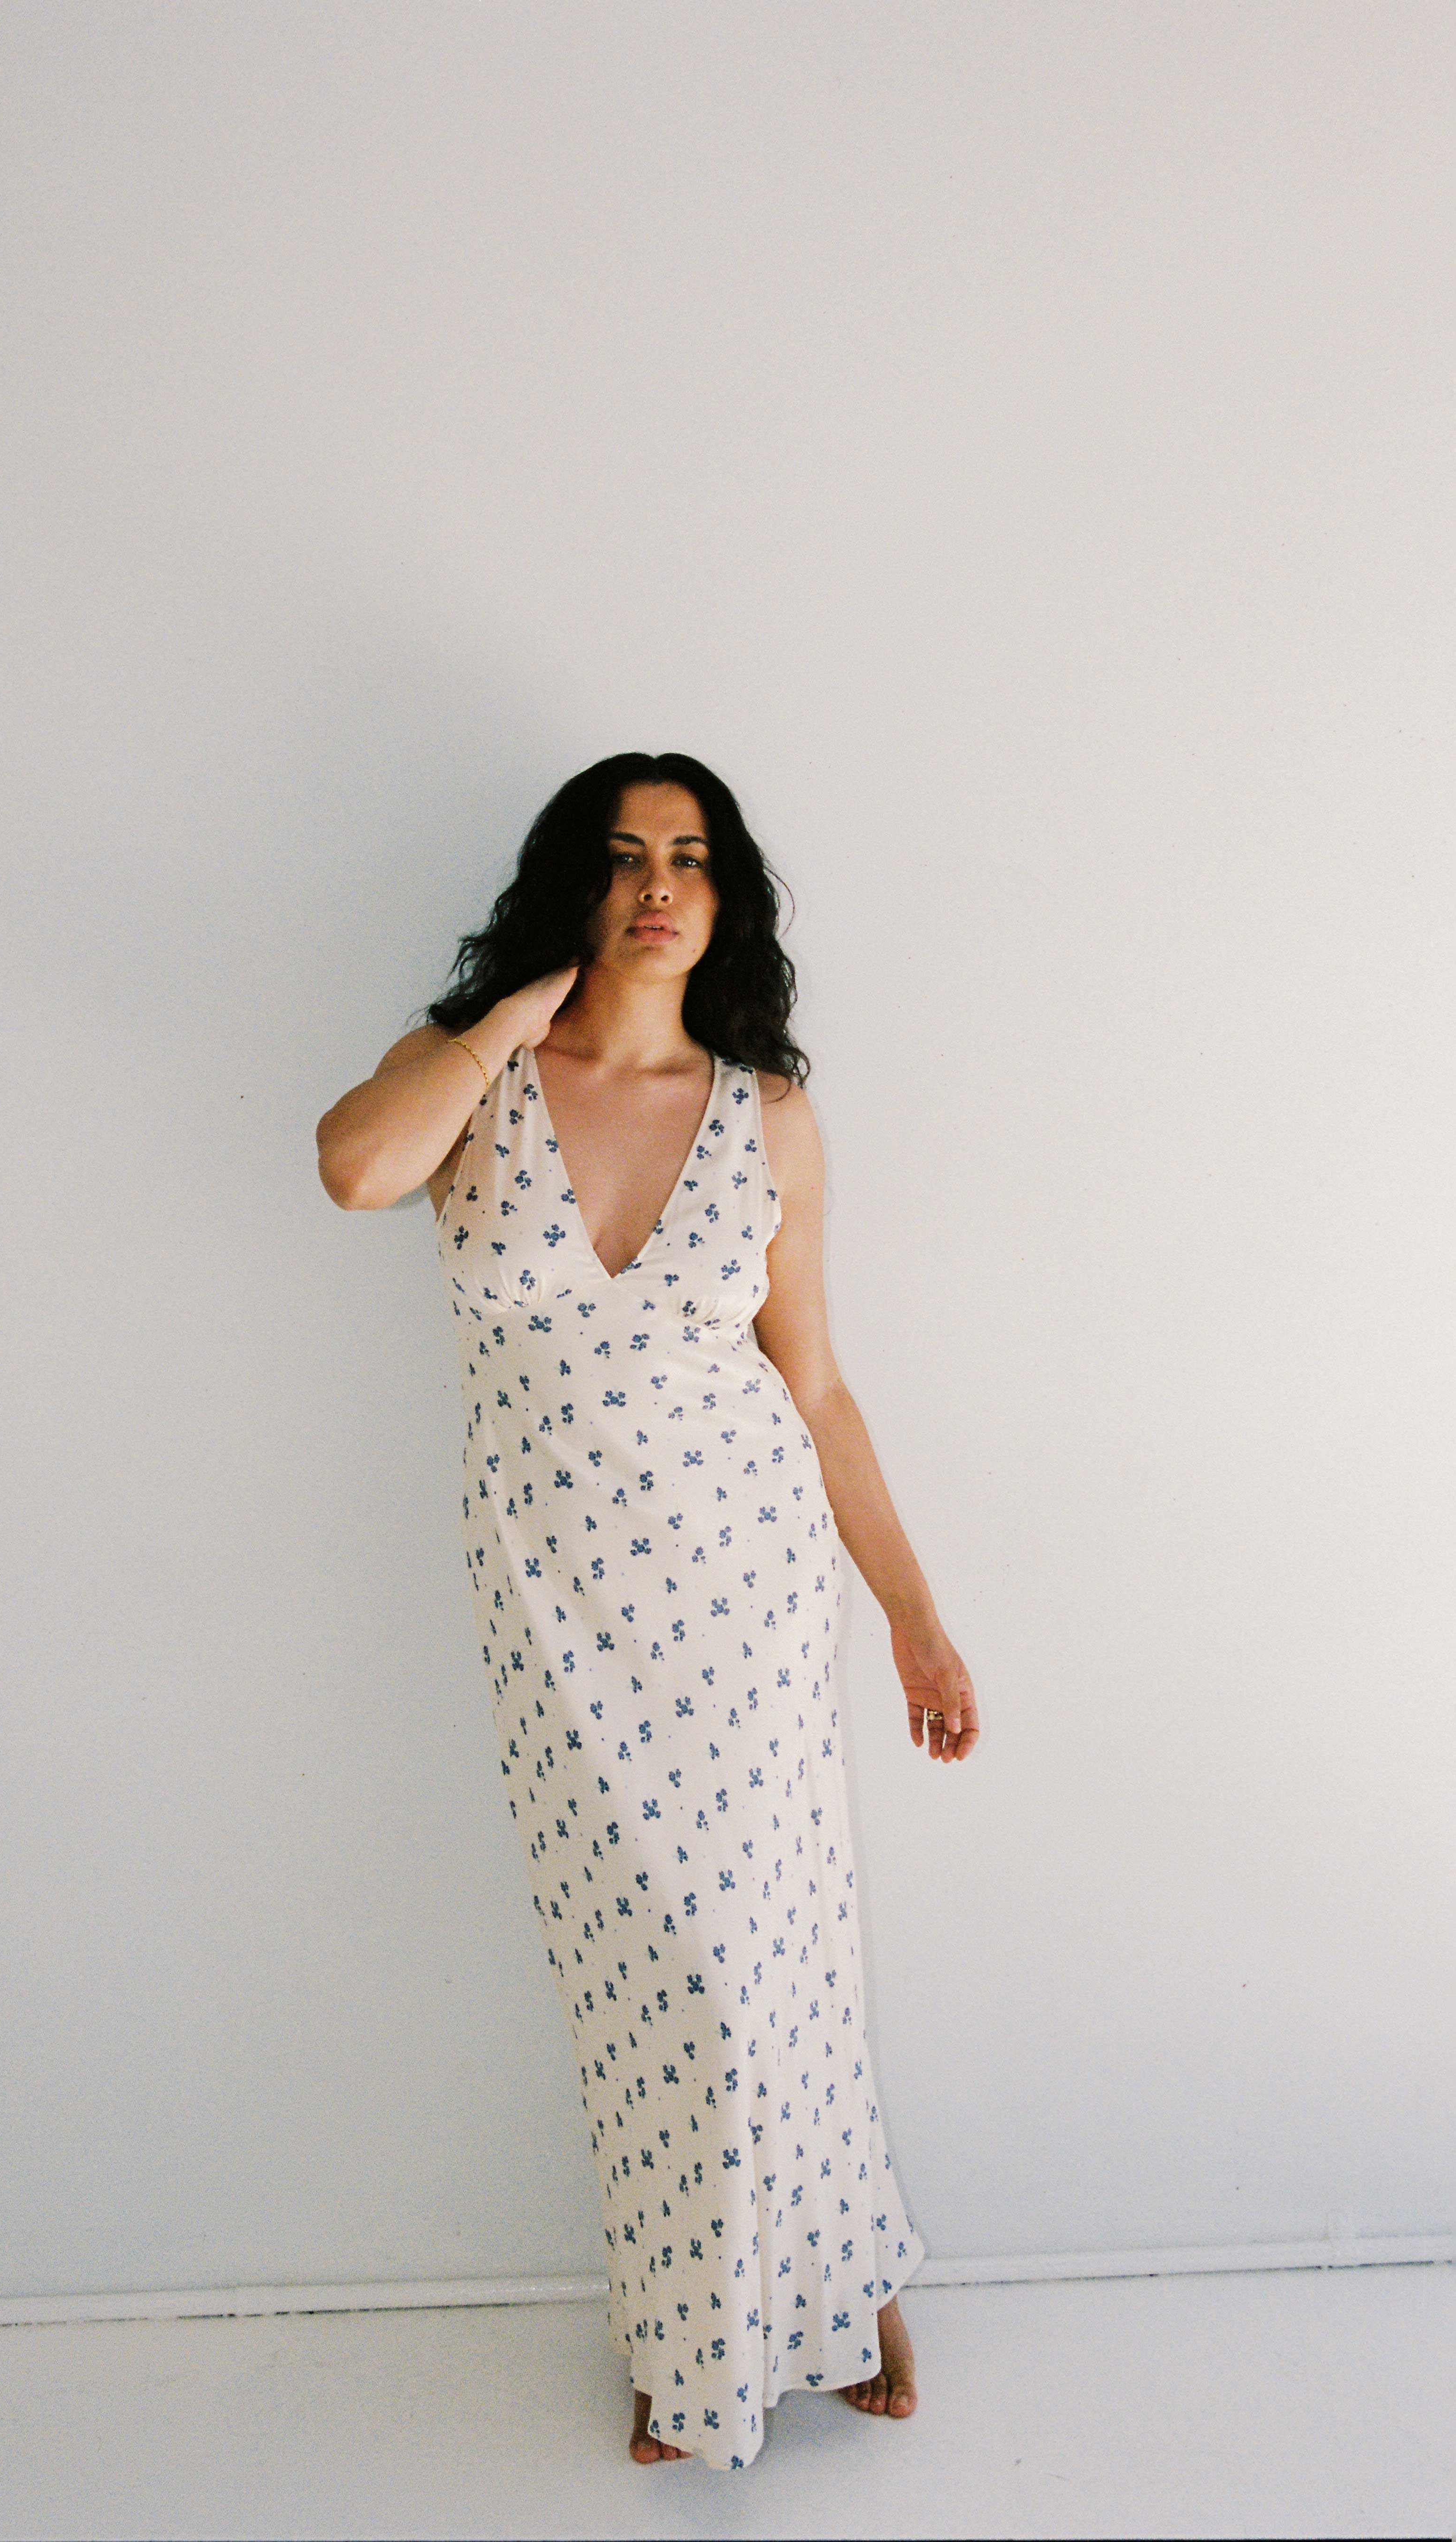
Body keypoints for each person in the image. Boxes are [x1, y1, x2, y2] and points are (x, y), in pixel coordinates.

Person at [315, 751, 979, 2471]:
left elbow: (817, 1389)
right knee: (649, 1977)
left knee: (771, 1961)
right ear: (575, 889)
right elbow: (353, 1171)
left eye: (688, 858)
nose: (657, 886)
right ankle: (707, 2322)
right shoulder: (469, 1078)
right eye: (620, 860)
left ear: (726, 893)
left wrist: (910, 1613)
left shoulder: (767, 1110)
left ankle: (838, 2288)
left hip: (747, 1583)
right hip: (556, 1595)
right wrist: (516, 1008)